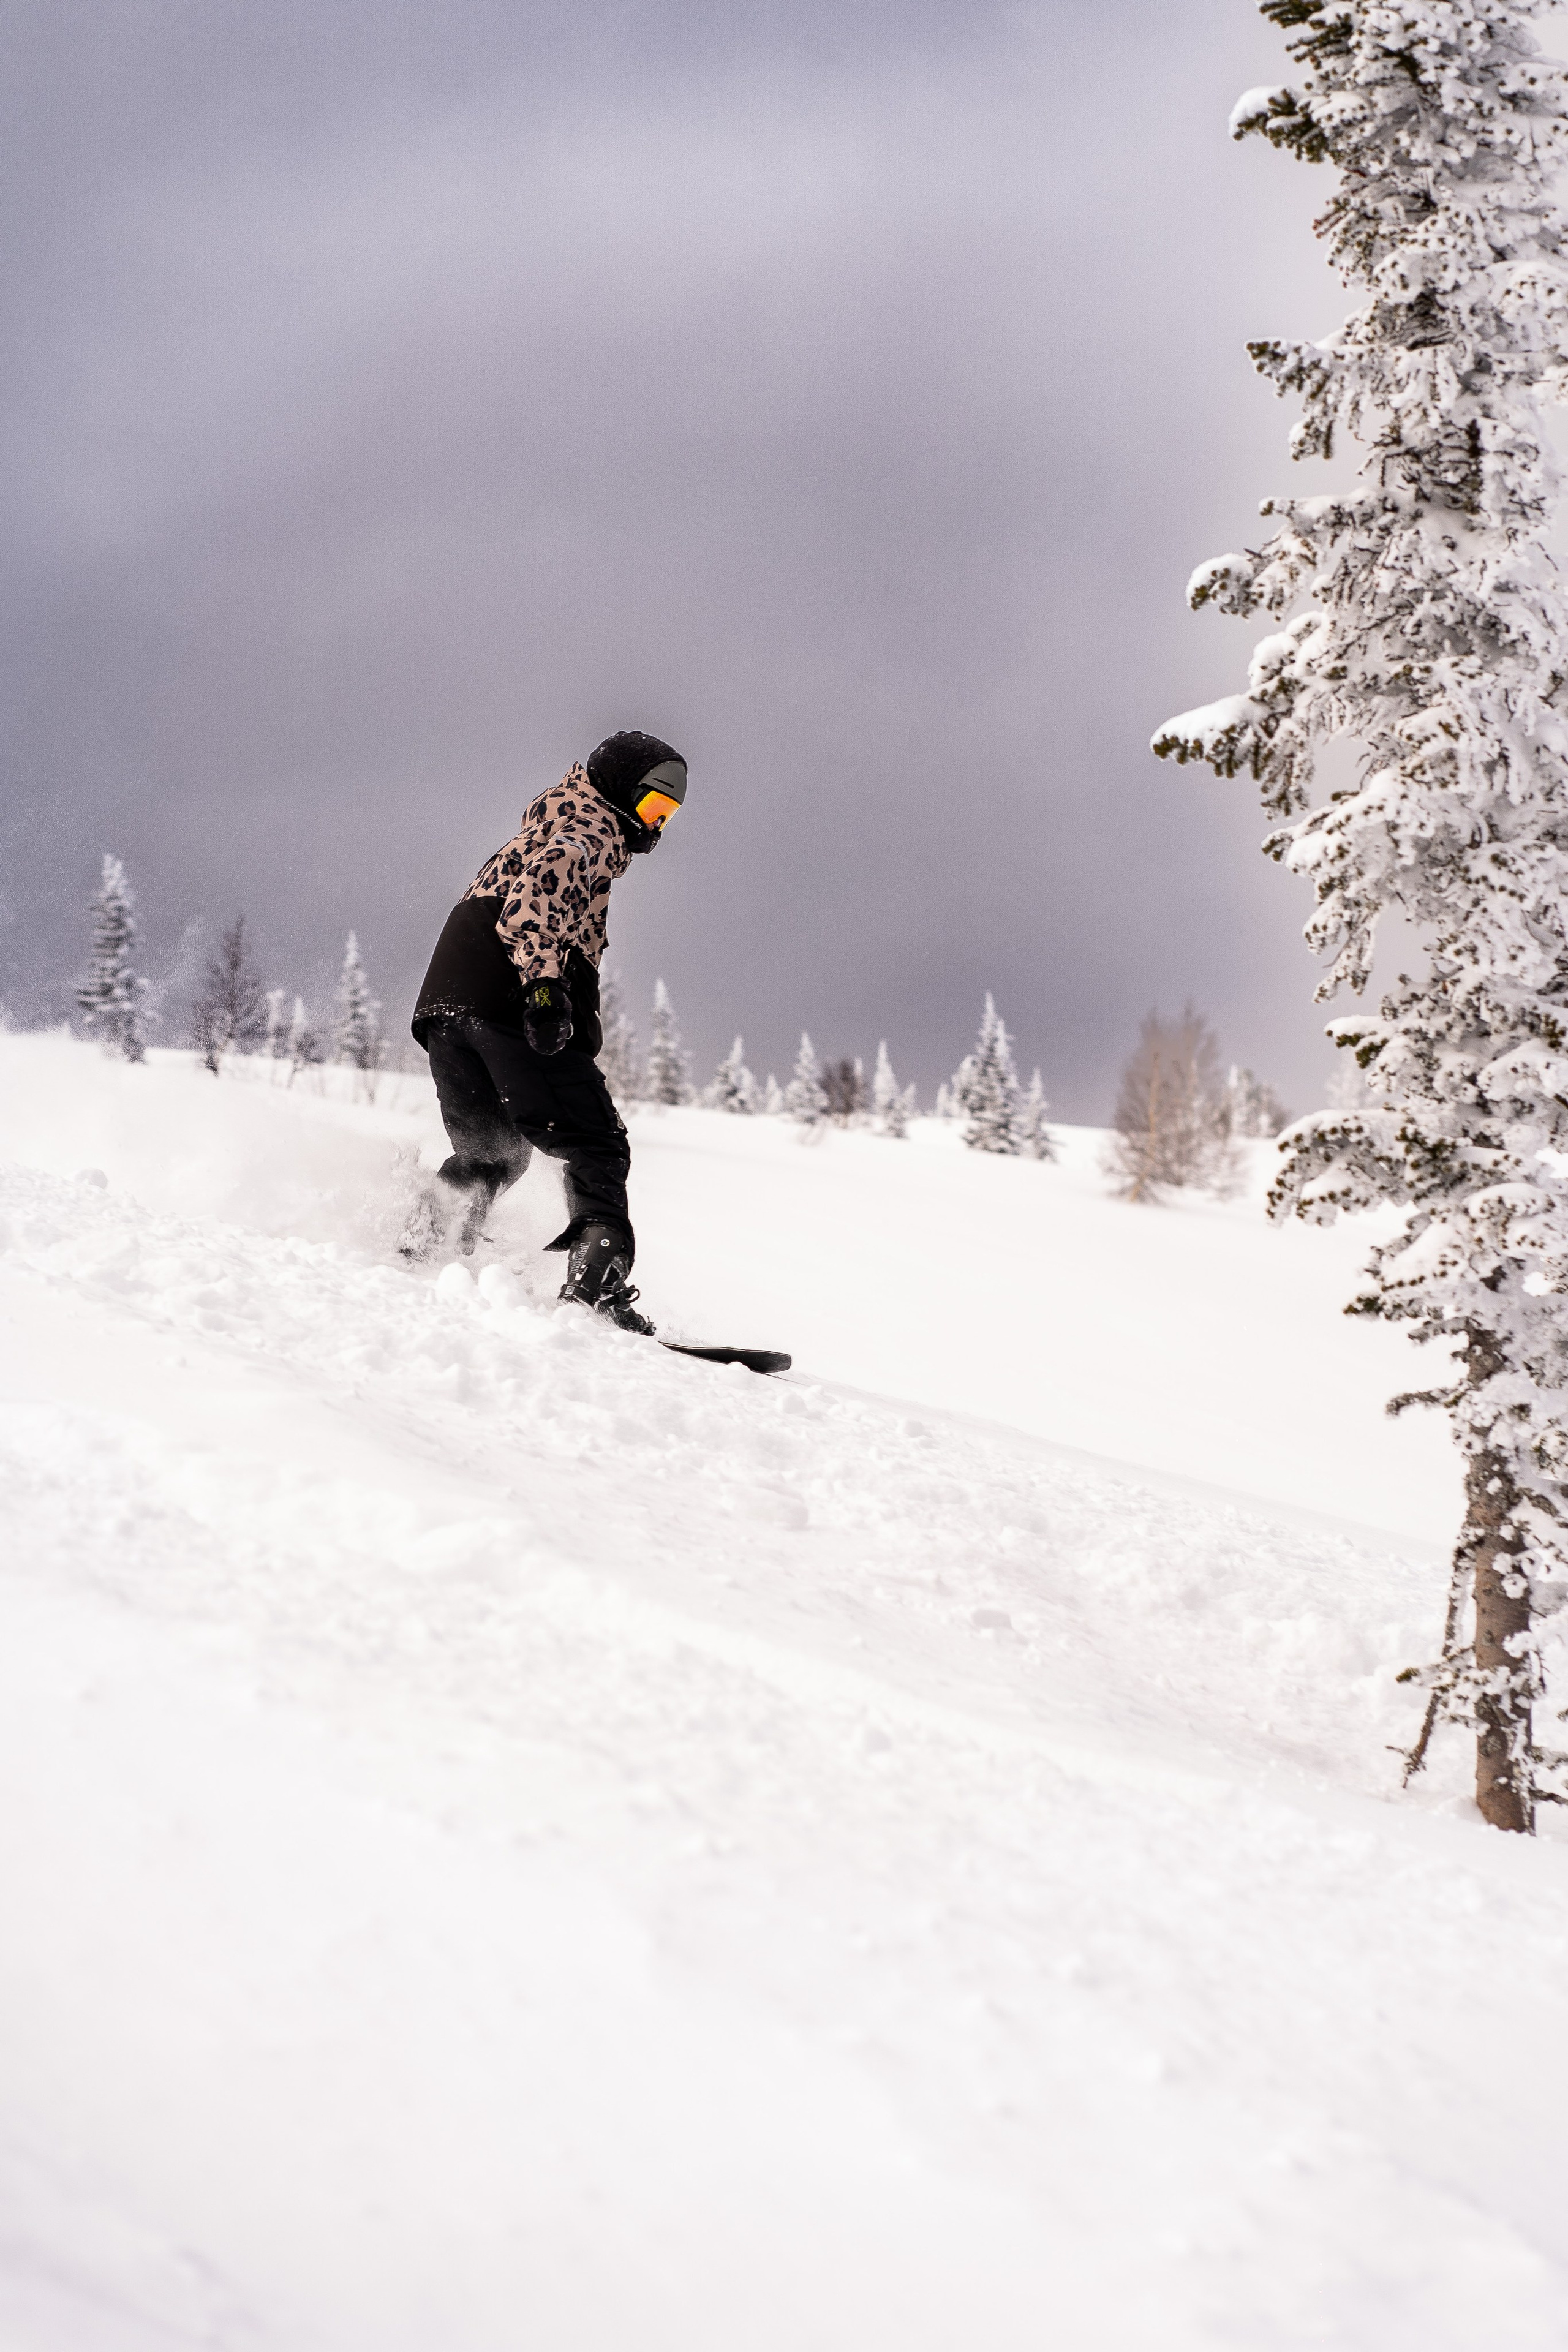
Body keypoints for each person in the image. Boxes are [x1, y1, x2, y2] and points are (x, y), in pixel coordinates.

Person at [404, 729, 688, 1332]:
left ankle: (420, 1242)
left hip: (448, 1008)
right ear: (618, 793)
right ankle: (595, 1289)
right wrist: (544, 989)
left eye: (667, 812)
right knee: (597, 1142)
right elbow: (529, 906)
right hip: (507, 1006)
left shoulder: (549, 824)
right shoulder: (588, 830)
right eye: (651, 805)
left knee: (494, 1153)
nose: (656, 824)